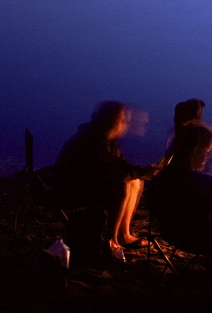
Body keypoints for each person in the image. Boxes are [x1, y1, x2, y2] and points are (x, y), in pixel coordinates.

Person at [52, 101, 155, 261]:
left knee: (135, 181)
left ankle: (124, 235)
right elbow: (110, 171)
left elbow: (119, 164)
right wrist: (141, 172)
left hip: (90, 184)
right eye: (122, 120)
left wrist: (142, 172)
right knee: (122, 185)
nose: (125, 125)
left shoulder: (107, 139)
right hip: (72, 188)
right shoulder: (92, 139)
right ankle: (111, 239)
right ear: (110, 120)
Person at [144, 122, 212, 265]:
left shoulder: (158, 178)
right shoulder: (208, 181)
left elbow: (150, 206)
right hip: (201, 240)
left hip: (170, 235)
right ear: (195, 150)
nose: (207, 157)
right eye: (206, 151)